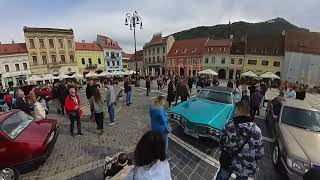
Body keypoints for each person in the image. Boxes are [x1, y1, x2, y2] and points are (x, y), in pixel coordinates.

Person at [216, 101, 264, 180]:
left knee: (222, 177)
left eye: (235, 110)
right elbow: (260, 153)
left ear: (238, 110)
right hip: (246, 167)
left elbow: (222, 143)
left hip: (229, 162)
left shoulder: (229, 125)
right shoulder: (257, 131)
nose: (235, 112)